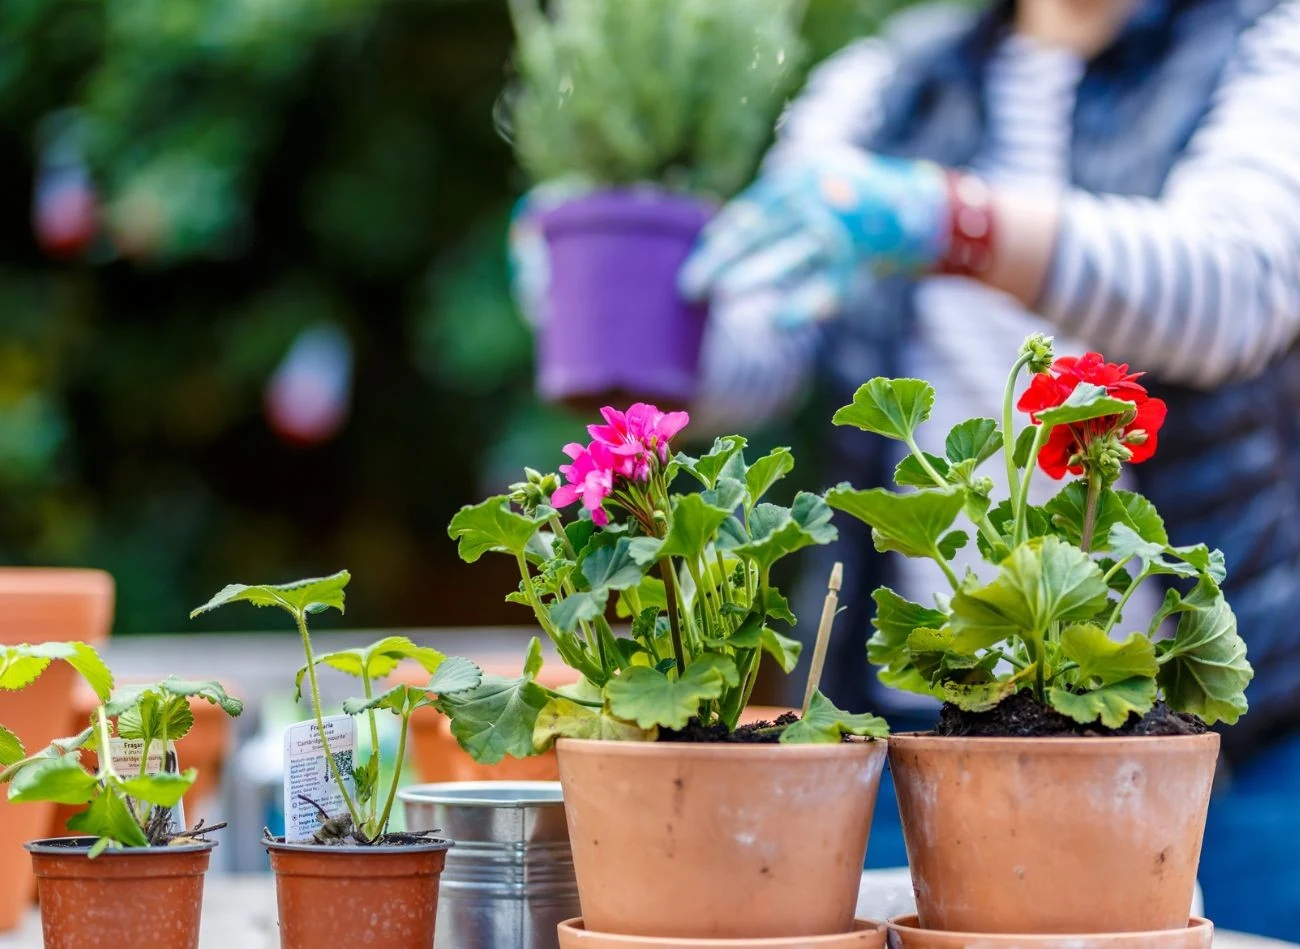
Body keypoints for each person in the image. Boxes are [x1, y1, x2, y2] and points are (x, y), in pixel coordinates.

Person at [680, 0, 1300, 938]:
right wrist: (628, 329)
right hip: (925, 733)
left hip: (1221, 744)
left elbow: (1231, 287)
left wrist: (955, 223)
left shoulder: (1264, 38)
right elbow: (757, 351)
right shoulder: (885, 81)